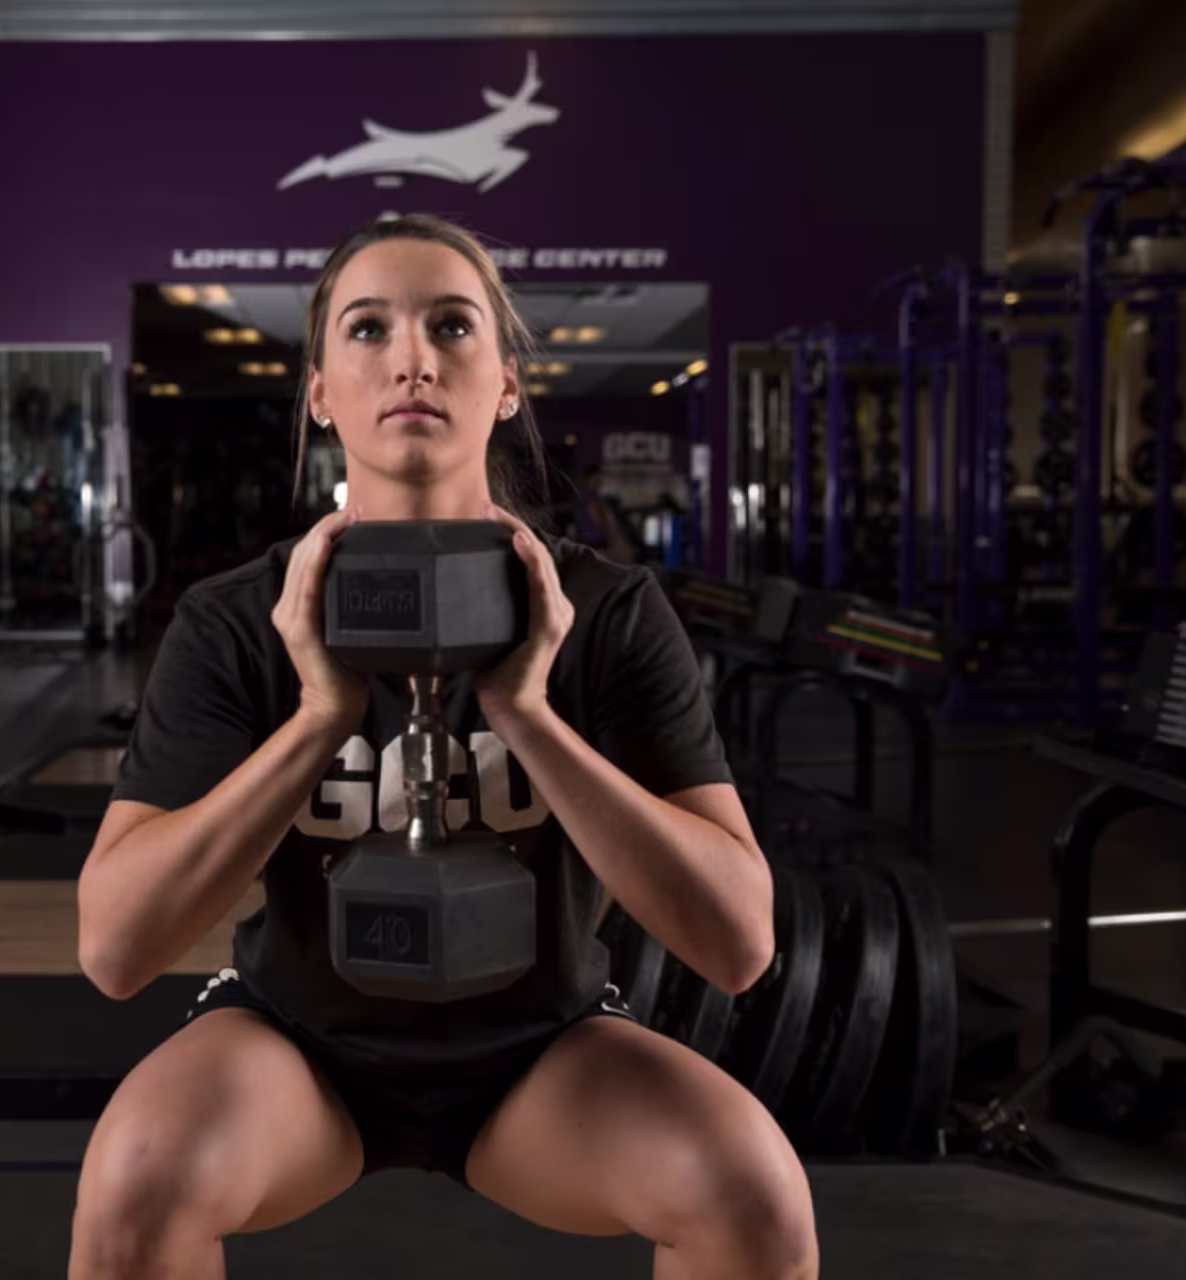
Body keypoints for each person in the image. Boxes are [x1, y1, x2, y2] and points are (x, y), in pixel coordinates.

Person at [72, 214, 817, 1280]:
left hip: (541, 1050)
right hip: (299, 1048)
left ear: (506, 382)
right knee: (138, 1176)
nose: (414, 356)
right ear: (320, 390)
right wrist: (318, 716)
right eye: (368, 328)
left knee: (751, 1189)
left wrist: (528, 715)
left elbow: (740, 942)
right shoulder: (238, 620)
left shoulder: (606, 613)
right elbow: (114, 948)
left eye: (452, 325)